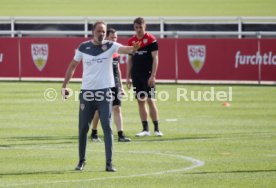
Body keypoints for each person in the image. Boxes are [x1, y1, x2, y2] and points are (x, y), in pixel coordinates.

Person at [62, 21, 140, 172]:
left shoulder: (110, 46)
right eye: (99, 31)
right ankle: (81, 161)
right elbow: (72, 65)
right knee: (83, 128)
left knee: (107, 127)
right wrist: (65, 85)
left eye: (103, 31)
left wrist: (134, 49)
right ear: (93, 32)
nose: (101, 34)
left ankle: (109, 163)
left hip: (105, 93)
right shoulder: (83, 47)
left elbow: (126, 49)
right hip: (87, 93)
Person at [90, 28, 131, 143]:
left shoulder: (116, 50)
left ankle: (121, 135)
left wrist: (121, 86)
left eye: (116, 38)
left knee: (117, 108)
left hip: (115, 83)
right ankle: (94, 132)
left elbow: (117, 68)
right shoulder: (101, 50)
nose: (114, 40)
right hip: (103, 83)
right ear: (106, 37)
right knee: (99, 110)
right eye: (112, 38)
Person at [126, 17, 163, 137]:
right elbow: (130, 59)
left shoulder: (151, 40)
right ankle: (145, 129)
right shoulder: (131, 41)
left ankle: (157, 129)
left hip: (147, 75)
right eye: (136, 27)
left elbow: (155, 58)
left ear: (144, 27)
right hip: (136, 75)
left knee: (150, 100)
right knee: (140, 101)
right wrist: (128, 77)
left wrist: (153, 75)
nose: (138, 30)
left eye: (140, 27)